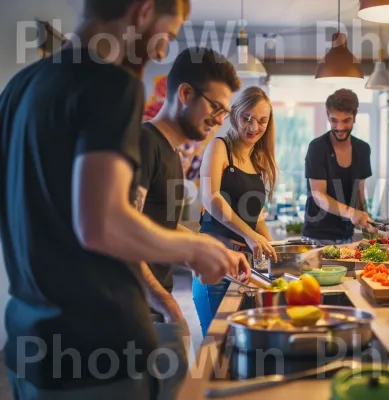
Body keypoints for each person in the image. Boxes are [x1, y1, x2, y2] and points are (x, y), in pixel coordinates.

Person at [0, 0, 249, 397]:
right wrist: (195, 247)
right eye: (166, 35)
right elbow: (102, 223)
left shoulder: (19, 87)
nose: (162, 51)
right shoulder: (110, 84)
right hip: (100, 347)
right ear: (143, 10)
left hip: (30, 344)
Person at [130, 47, 244, 397]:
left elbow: (159, 225)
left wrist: (212, 247)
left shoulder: (170, 152)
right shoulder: (144, 143)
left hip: (154, 307)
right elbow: (125, 235)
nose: (220, 119)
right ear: (185, 94)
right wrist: (164, 300)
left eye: (225, 111)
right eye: (217, 107)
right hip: (142, 310)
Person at [194, 86, 278, 336]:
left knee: (243, 342)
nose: (254, 127)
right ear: (234, 114)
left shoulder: (258, 159)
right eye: (247, 118)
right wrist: (252, 237)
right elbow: (212, 199)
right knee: (218, 343)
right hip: (215, 260)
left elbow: (255, 217)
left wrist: (272, 249)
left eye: (262, 121)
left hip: (245, 266)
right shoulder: (220, 146)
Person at [302, 89, 374, 245]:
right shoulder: (317, 148)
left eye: (346, 120)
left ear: (355, 115)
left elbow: (359, 193)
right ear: (328, 115)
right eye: (334, 120)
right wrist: (352, 213)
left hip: (346, 237)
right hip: (316, 237)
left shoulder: (362, 149)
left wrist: (367, 222)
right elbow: (319, 195)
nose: (340, 127)